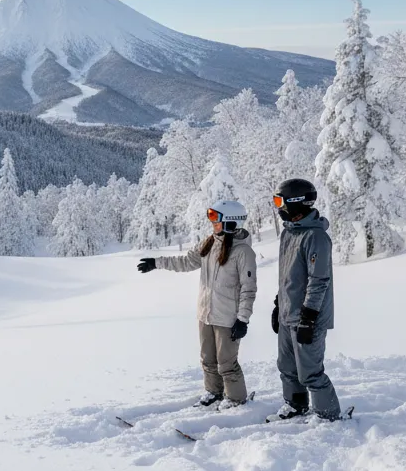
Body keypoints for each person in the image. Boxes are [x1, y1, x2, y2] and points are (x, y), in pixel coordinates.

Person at [137, 200, 257, 406]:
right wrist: (156, 263)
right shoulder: (209, 243)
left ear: (230, 222)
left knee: (226, 363)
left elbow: (249, 288)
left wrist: (243, 319)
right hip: (206, 314)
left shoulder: (243, 253)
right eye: (211, 217)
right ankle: (214, 393)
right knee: (208, 360)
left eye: (216, 219)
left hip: (228, 318)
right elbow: (186, 261)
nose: (212, 223)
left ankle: (236, 400)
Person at [269, 178, 342, 421]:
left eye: (280, 201)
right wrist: (279, 305)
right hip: (289, 315)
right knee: (287, 368)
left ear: (296, 203)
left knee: (310, 372)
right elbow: (289, 277)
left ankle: (328, 415)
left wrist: (308, 318)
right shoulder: (289, 234)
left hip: (309, 318)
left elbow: (318, 280)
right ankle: (296, 405)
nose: (278, 207)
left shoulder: (315, 237)